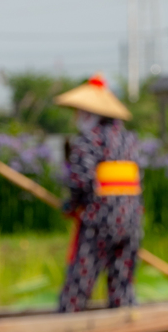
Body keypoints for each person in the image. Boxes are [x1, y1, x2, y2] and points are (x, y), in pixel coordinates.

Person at [53, 74, 143, 313]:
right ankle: (123, 319)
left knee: (80, 281)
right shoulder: (129, 139)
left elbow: (80, 181)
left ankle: (65, 325)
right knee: (122, 283)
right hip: (131, 221)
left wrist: (70, 205)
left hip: (99, 221)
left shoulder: (88, 141)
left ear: (89, 113)